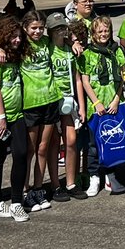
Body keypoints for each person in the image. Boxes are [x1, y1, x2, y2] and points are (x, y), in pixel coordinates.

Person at [0, 15, 30, 222]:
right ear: (4, 37)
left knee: (21, 153)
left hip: (16, 115)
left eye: (19, 36)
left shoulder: (17, 55)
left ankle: (16, 202)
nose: (17, 40)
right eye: (13, 37)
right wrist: (1, 117)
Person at [78, 15, 125, 196]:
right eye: (100, 31)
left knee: (112, 141)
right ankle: (94, 176)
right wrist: (96, 102)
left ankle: (110, 175)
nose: (104, 34)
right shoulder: (88, 54)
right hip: (96, 105)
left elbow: (122, 78)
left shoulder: (117, 51)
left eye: (106, 31)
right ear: (93, 33)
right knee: (93, 144)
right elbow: (85, 81)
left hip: (113, 102)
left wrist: (116, 99)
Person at [18, 11, 61, 211]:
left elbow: (64, 39)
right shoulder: (21, 44)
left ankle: (38, 188)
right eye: (33, 28)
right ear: (25, 27)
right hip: (31, 102)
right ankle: (24, 190)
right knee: (30, 149)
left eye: (40, 28)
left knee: (43, 148)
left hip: (50, 99)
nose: (37, 31)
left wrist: (76, 43)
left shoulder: (46, 42)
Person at [44, 13, 85, 200]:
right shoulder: (47, 47)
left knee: (70, 140)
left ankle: (70, 182)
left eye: (63, 27)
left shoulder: (70, 49)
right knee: (53, 144)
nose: (60, 30)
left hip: (69, 100)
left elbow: (77, 79)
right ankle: (55, 184)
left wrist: (82, 106)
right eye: (56, 28)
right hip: (52, 100)